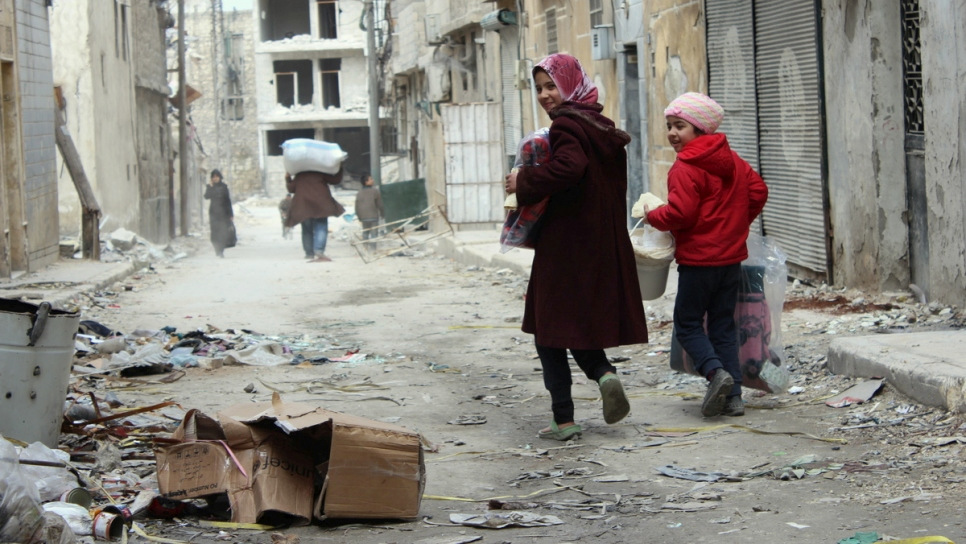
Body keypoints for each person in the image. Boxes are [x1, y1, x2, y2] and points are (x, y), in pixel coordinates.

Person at [504, 53, 649, 441]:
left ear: (570, 84)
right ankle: (603, 374)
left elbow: (570, 168)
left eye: (551, 85)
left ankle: (564, 419)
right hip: (601, 241)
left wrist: (524, 180)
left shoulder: (567, 124)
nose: (544, 95)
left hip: (567, 242)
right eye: (538, 88)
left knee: (547, 328)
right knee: (573, 323)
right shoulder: (598, 125)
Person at [644, 92, 769, 417]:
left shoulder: (685, 167)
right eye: (669, 125)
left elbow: (681, 214)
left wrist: (652, 215)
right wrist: (735, 223)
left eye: (680, 126)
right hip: (730, 262)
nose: (672, 133)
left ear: (700, 129)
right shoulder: (733, 161)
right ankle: (735, 398)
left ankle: (716, 374)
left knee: (687, 324)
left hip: (698, 263)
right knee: (723, 327)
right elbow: (758, 191)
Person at [285, 168, 345, 262]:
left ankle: (309, 253)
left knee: (306, 230)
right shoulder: (320, 172)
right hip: (320, 204)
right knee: (321, 227)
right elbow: (335, 180)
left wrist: (288, 179)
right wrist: (340, 168)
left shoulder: (300, 174)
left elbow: (291, 189)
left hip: (304, 206)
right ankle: (319, 251)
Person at [203, 169, 234, 257]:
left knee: (223, 232)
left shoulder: (224, 187)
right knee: (214, 232)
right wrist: (210, 186)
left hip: (223, 213)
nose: (215, 178)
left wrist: (231, 214)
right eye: (213, 177)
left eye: (217, 177)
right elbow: (206, 196)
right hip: (213, 213)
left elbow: (228, 201)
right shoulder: (211, 187)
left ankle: (221, 250)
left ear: (220, 177)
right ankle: (216, 248)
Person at [354, 173, 383, 251]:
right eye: (371, 179)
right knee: (374, 234)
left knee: (365, 233)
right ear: (366, 182)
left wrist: (359, 216)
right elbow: (379, 204)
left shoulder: (359, 193)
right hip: (373, 216)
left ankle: (365, 248)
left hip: (363, 217)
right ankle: (373, 249)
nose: (372, 180)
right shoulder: (375, 191)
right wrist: (382, 214)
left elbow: (357, 206)